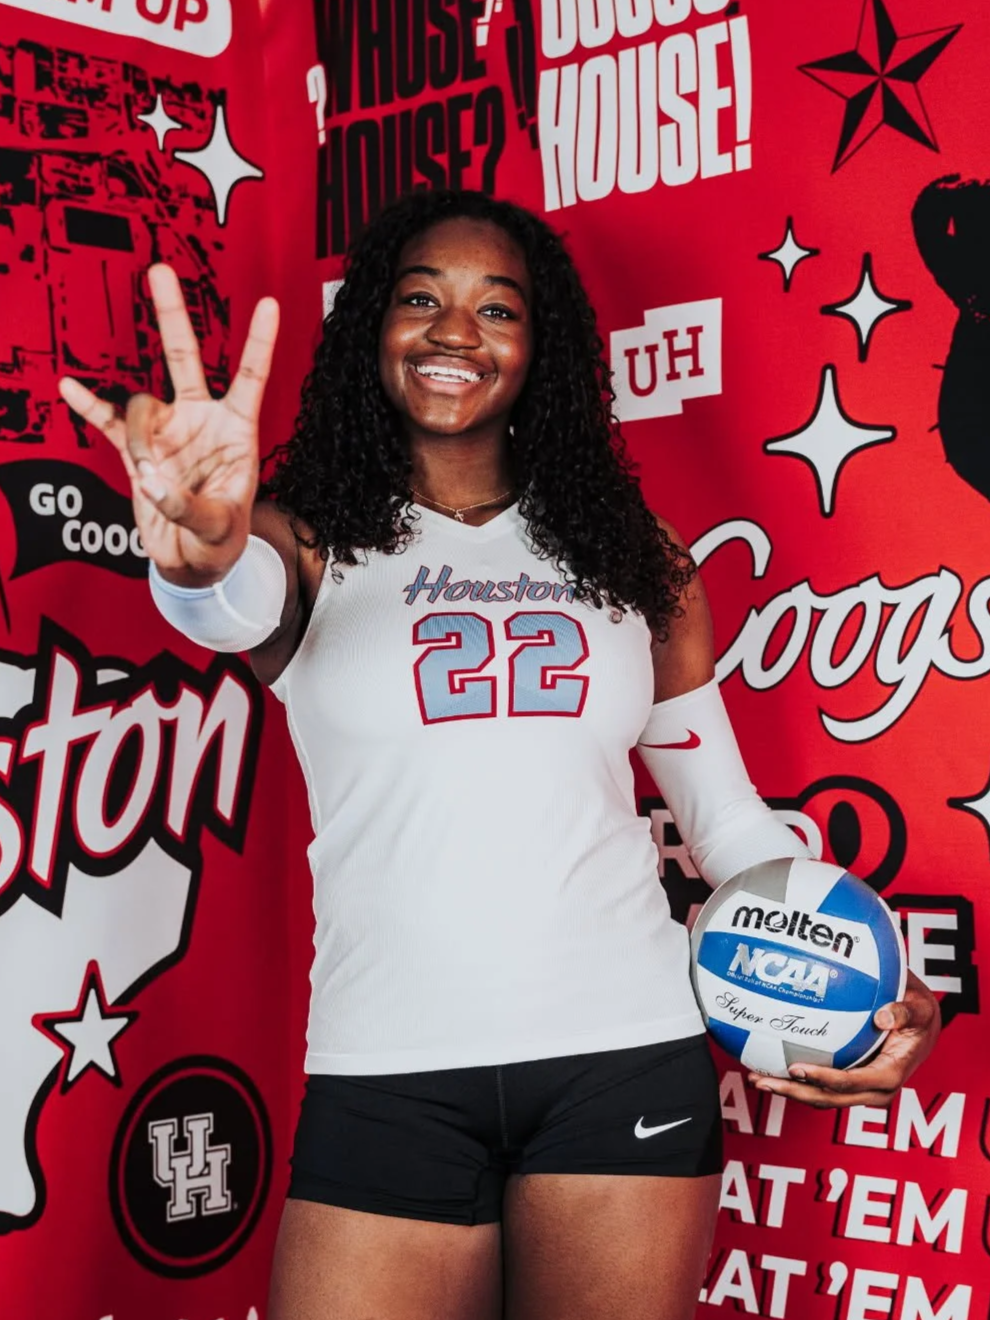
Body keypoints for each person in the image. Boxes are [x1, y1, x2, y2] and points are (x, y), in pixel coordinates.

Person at [59, 190, 940, 1320]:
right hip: (388, 1071)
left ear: (541, 347)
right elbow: (218, 601)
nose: (455, 332)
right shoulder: (300, 540)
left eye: (497, 307)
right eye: (421, 298)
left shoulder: (636, 555)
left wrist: (875, 981)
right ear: (374, 325)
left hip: (625, 1055)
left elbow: (725, 824)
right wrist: (195, 543)